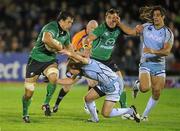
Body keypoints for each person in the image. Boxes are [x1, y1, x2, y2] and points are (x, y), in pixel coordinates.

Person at [57, 49, 140, 123]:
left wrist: (69, 53)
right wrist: (55, 80)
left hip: (114, 85)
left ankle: (129, 110)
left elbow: (80, 58)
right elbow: (70, 81)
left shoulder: (87, 62)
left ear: (74, 66)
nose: (70, 74)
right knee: (87, 98)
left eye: (70, 72)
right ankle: (94, 118)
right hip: (103, 84)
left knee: (106, 113)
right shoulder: (80, 71)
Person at [22, 11, 74, 123]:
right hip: (36, 59)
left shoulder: (66, 34)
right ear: (61, 21)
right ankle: (25, 113)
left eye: (72, 22)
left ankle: (46, 103)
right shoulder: (51, 27)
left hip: (50, 60)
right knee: (28, 93)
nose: (70, 25)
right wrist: (59, 47)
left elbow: (70, 49)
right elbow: (46, 39)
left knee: (54, 78)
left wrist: (76, 56)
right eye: (69, 22)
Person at [132, 6, 174, 121]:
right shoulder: (146, 26)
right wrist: (136, 29)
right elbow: (134, 32)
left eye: (157, 15)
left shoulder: (168, 33)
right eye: (154, 15)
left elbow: (166, 51)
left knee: (156, 92)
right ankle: (138, 85)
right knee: (145, 88)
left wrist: (152, 50)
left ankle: (144, 115)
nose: (155, 17)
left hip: (159, 65)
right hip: (146, 62)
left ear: (163, 17)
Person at [52, 20, 98, 113]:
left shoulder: (95, 37)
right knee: (67, 86)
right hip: (75, 63)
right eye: (92, 28)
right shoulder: (79, 36)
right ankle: (56, 105)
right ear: (87, 27)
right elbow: (72, 52)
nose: (93, 30)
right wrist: (84, 54)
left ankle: (87, 105)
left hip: (86, 63)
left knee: (93, 82)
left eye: (95, 29)